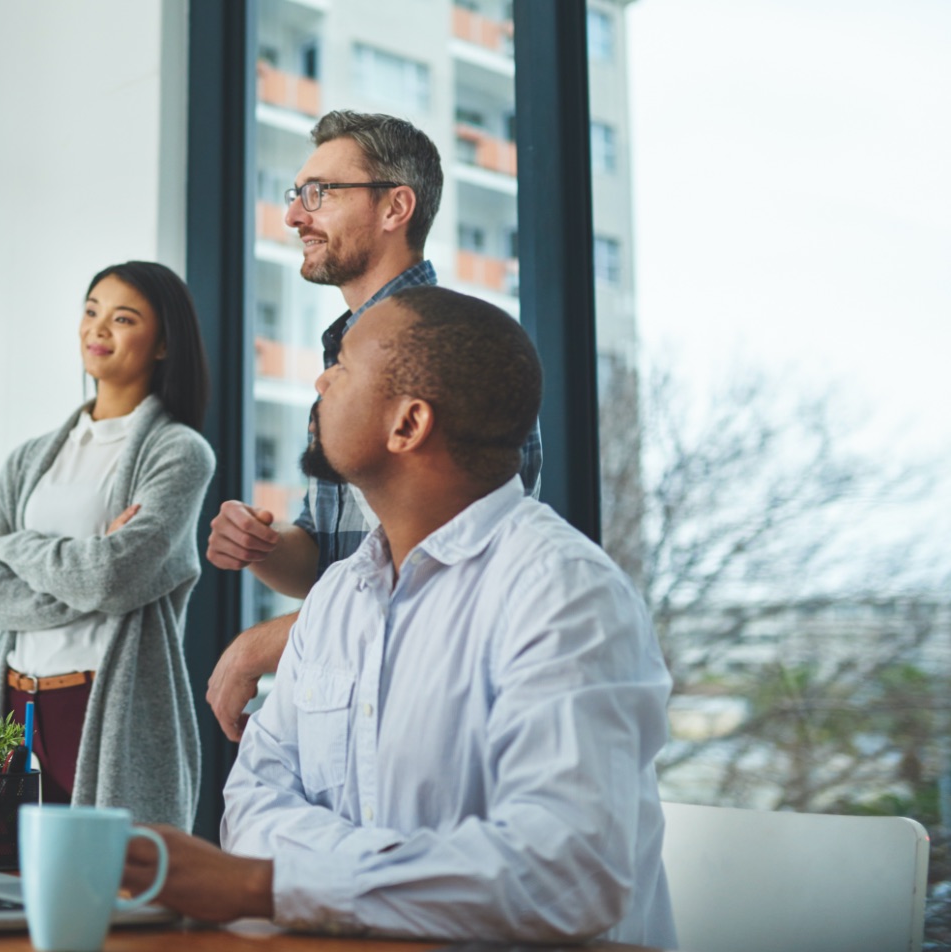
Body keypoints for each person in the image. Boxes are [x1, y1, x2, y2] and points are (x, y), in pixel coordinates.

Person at [122, 286, 676, 947]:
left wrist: (265, 886)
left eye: (345, 366)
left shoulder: (564, 593)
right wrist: (407, 873)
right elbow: (250, 806)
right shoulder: (335, 597)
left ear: (407, 425)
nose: (322, 379)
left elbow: (564, 875)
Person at [205, 110, 543, 741]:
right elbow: (326, 559)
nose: (294, 216)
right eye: (294, 195)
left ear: (395, 208)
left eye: (319, 194)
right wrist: (265, 546)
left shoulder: (459, 350)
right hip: (344, 696)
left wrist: (268, 642)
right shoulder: (341, 360)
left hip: (424, 711)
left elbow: (448, 576)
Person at [0, 261, 214, 829]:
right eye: (91, 311)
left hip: (102, 704)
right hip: (13, 701)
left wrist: (14, 546)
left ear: (165, 343)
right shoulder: (30, 457)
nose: (97, 329)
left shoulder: (179, 453)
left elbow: (110, 579)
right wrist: (86, 564)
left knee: (105, 897)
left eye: (122, 319)